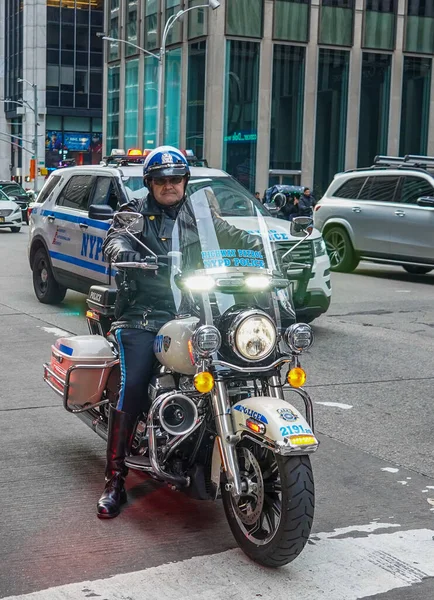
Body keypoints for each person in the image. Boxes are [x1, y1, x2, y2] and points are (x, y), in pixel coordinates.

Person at [97, 146, 260, 519]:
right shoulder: (135, 213)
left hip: (196, 311)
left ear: (185, 182)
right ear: (150, 183)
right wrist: (123, 252)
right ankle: (115, 480)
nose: (169, 185)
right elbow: (116, 238)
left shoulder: (201, 215)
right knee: (134, 383)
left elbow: (236, 238)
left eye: (175, 179)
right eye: (161, 180)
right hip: (144, 314)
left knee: (240, 361)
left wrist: (268, 254)